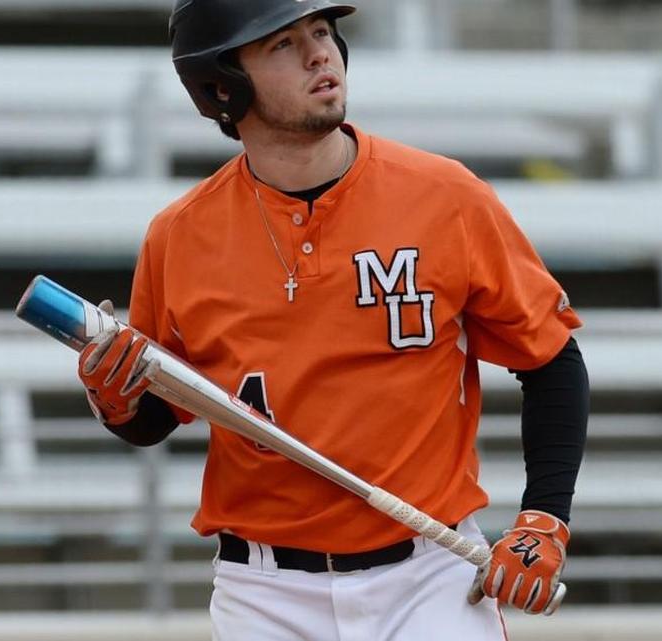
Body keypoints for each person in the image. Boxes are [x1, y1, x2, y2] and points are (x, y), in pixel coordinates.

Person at [77, 1, 590, 639]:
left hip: (429, 576)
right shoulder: (179, 236)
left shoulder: (447, 196)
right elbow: (156, 417)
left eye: (322, 33)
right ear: (221, 86)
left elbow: (551, 358)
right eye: (283, 44)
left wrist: (544, 517)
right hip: (264, 592)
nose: (320, 53)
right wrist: (115, 399)